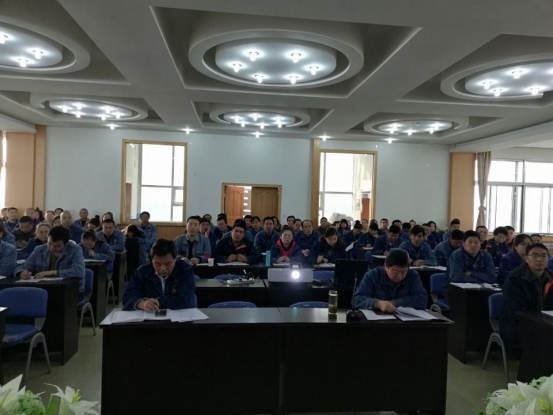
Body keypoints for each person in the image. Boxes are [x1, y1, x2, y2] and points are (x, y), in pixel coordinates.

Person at [500, 243, 553, 351]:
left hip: (546, 324)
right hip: (518, 325)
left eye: (543, 256)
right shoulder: (515, 279)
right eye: (534, 255)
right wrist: (542, 322)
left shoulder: (551, 278)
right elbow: (516, 310)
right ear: (526, 258)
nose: (539, 259)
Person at [122, 239, 196, 310]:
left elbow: (185, 301)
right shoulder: (142, 272)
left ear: (175, 259)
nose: (163, 268)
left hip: (180, 316)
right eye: (157, 264)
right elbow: (127, 297)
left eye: (167, 264)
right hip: (149, 316)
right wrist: (142, 304)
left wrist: (156, 301)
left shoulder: (185, 270)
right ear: (151, 260)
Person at [353, 249, 427, 311]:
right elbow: (357, 300)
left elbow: (422, 300)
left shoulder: (412, 275)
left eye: (404, 272)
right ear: (386, 266)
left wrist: (394, 303)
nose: (399, 276)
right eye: (395, 272)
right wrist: (377, 304)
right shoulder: (373, 275)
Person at [16, 226, 85, 292]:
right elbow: (24, 265)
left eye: (57, 246)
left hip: (69, 290)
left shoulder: (75, 249)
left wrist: (52, 272)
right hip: (44, 287)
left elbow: (79, 271)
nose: (52, 248)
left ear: (66, 244)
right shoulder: (39, 250)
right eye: (50, 243)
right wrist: (22, 272)